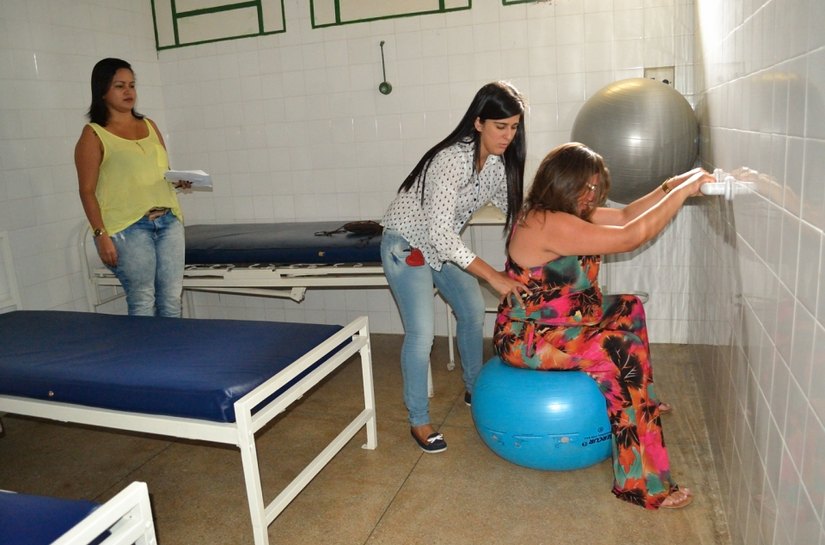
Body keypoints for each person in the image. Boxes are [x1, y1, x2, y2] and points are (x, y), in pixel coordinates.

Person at [494, 142, 716, 509]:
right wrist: (684, 191)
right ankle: (644, 485)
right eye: (587, 187)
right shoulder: (549, 222)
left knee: (628, 306)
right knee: (620, 349)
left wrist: (670, 185)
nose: (593, 196)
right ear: (563, 182)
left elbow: (628, 215)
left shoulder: (571, 213)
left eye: (597, 188)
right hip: (530, 335)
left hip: (568, 321)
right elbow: (632, 235)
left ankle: (644, 402)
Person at [381, 81, 530, 453]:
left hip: (438, 247)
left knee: (472, 309)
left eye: (514, 127)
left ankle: (474, 387)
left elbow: (516, 212)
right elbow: (442, 235)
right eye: (501, 126)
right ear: (479, 123)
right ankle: (419, 421)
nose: (508, 136)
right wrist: (494, 276)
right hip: (406, 244)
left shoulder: (495, 166)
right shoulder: (451, 159)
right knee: (421, 335)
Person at [75, 58, 190, 318]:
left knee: (171, 299)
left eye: (132, 85)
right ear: (102, 91)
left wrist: (178, 181)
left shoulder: (149, 126)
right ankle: (145, 358)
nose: (129, 92)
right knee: (142, 300)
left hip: (168, 221)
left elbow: (162, 172)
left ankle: (171, 357)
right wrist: (100, 234)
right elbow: (86, 190)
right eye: (120, 86)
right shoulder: (93, 134)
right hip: (128, 228)